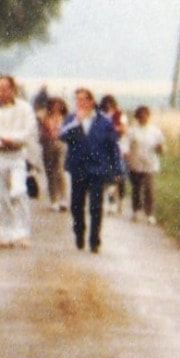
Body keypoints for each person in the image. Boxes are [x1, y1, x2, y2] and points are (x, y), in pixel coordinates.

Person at [0, 75, 40, 248]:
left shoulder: (24, 108)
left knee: (19, 191)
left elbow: (29, 131)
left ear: (13, 89)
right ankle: (5, 234)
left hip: (16, 154)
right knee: (1, 197)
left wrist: (12, 139)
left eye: (5, 89)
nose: (1, 92)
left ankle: (22, 233)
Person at [59, 88, 123, 253]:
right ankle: (79, 232)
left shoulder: (104, 122)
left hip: (97, 168)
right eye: (77, 100)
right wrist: (76, 122)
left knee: (96, 206)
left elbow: (113, 146)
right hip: (78, 168)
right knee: (76, 205)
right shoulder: (71, 119)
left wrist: (117, 169)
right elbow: (62, 136)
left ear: (91, 101)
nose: (79, 103)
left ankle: (95, 240)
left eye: (82, 99)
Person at [126, 105, 165, 224]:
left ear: (148, 116)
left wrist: (160, 148)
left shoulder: (155, 131)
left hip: (150, 164)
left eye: (145, 115)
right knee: (136, 189)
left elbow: (162, 148)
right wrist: (127, 156)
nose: (143, 118)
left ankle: (150, 214)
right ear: (137, 117)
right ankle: (136, 211)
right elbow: (126, 146)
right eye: (140, 116)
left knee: (149, 190)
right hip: (135, 163)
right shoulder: (132, 131)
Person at [99, 94, 128, 216]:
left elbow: (123, 129)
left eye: (110, 104)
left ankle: (121, 200)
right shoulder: (100, 116)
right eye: (106, 104)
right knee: (108, 177)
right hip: (105, 148)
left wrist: (110, 129)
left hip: (120, 147)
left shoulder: (120, 115)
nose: (108, 106)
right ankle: (111, 202)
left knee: (120, 176)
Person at [40, 97, 69, 211]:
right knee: (50, 173)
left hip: (61, 144)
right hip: (48, 145)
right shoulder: (45, 118)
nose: (56, 107)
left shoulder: (65, 118)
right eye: (54, 105)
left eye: (58, 105)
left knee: (60, 171)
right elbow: (41, 133)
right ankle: (54, 200)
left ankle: (63, 199)